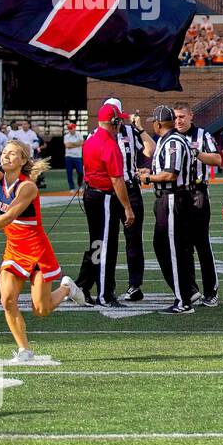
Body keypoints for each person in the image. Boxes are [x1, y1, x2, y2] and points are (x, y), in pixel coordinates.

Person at [0, 124, 82, 360]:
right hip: (14, 249)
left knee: (42, 309)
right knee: (7, 301)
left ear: (23, 160)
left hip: (36, 250)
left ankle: (67, 288)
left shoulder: (27, 187)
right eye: (5, 152)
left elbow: (8, 216)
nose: (6, 156)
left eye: (12, 154)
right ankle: (24, 350)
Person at [139, 106, 197, 315]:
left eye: (153, 122)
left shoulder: (173, 142)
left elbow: (171, 174)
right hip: (170, 198)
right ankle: (186, 292)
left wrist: (148, 178)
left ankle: (183, 300)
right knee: (164, 246)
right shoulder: (170, 140)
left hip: (174, 198)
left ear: (158, 123)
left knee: (172, 249)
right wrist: (150, 172)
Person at [76, 102, 135, 306]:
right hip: (105, 197)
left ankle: (82, 285)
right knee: (106, 247)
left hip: (91, 193)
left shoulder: (90, 140)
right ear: (115, 122)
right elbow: (117, 180)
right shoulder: (110, 145)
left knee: (97, 244)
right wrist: (127, 207)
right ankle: (105, 294)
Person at [106, 97, 153, 302]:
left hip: (130, 188)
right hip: (107, 191)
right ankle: (107, 285)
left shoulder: (131, 132)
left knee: (133, 239)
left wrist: (140, 128)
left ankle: (135, 285)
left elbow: (150, 150)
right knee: (107, 240)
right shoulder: (97, 135)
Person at [174, 102, 220, 306]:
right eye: (175, 117)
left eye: (182, 116)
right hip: (176, 195)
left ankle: (211, 291)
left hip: (197, 192)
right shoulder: (170, 137)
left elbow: (218, 159)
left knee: (201, 243)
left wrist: (196, 153)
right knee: (182, 245)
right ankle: (190, 290)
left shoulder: (202, 135)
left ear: (191, 116)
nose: (178, 120)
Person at [63, 121, 85, 192]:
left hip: (78, 156)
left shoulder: (79, 134)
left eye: (72, 128)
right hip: (69, 156)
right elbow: (67, 145)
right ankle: (71, 187)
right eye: (69, 128)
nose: (71, 130)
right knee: (69, 172)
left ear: (74, 128)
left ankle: (80, 185)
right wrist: (77, 144)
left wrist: (72, 144)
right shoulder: (66, 136)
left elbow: (82, 143)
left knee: (80, 172)